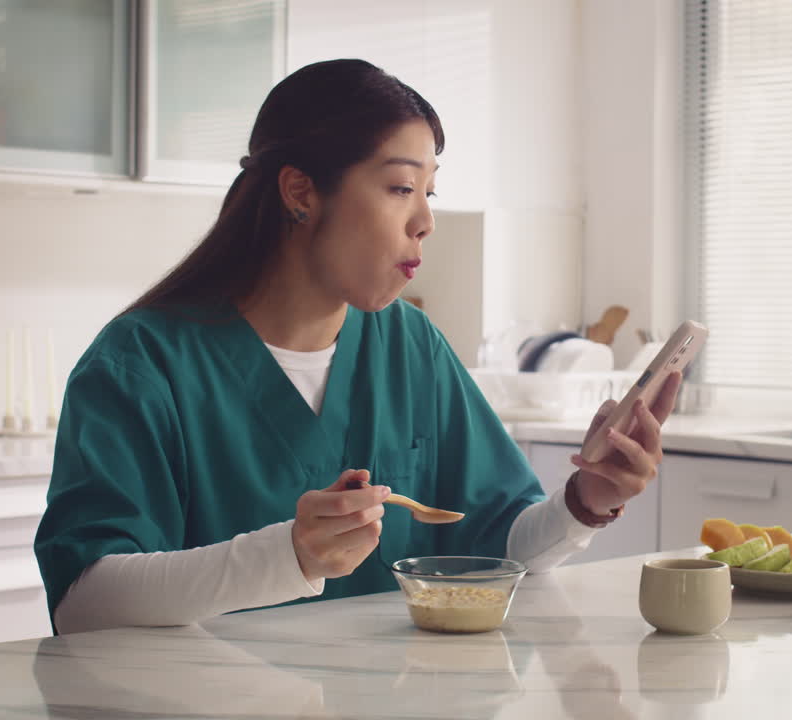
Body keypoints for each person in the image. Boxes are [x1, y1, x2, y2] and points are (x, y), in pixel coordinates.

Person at [33, 59, 682, 634]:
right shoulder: (141, 363)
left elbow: (498, 548)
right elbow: (86, 601)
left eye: (430, 191)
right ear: (300, 191)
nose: (425, 220)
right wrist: (288, 556)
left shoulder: (412, 347)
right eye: (402, 187)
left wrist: (585, 500)